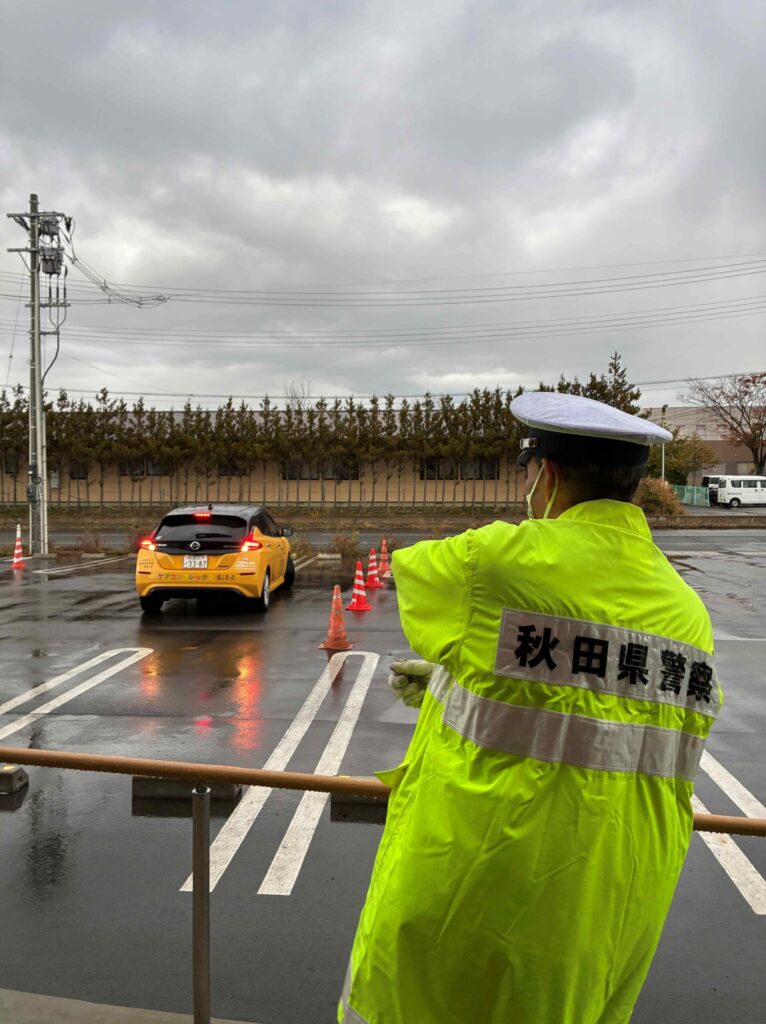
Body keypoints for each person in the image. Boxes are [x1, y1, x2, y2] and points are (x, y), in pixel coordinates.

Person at [339, 392, 722, 1024]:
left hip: (475, 894)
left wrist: (448, 664)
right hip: (609, 906)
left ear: (544, 474)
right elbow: (602, 718)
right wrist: (445, 684)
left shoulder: (492, 563)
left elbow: (413, 584)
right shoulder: (689, 617)